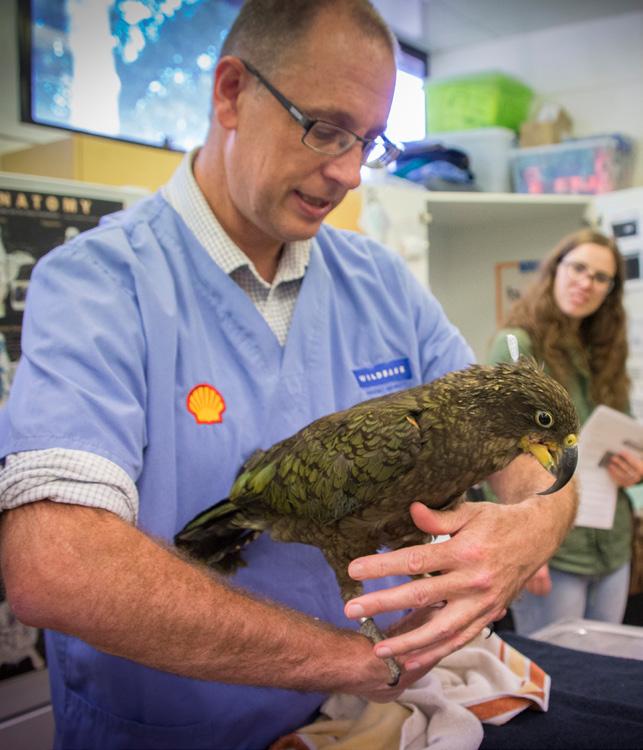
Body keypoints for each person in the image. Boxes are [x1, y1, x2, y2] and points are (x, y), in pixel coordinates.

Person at [0, 2, 578, 748]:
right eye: (326, 128)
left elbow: (520, 445)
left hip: (353, 723)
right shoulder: (96, 285)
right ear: (230, 94)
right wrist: (351, 662)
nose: (348, 173)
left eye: (369, 142)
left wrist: (527, 529)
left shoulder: (379, 281)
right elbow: (55, 564)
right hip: (178, 730)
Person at [487, 228, 643, 636]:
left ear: (610, 290)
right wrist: (525, 547)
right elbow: (493, 454)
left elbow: (628, 435)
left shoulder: (605, 351)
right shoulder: (517, 344)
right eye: (578, 268)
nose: (586, 283)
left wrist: (637, 470)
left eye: (600, 277)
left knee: (605, 664)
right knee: (557, 667)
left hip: (611, 542)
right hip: (553, 547)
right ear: (556, 269)